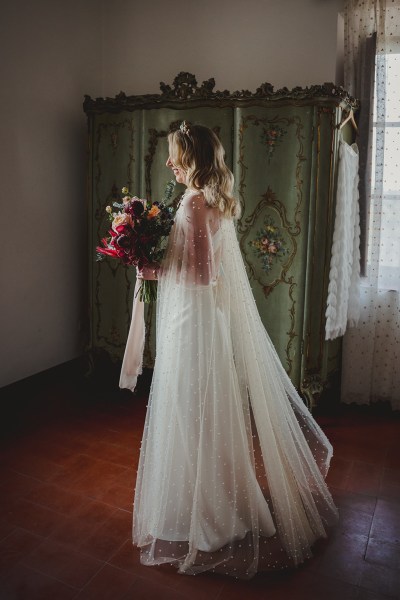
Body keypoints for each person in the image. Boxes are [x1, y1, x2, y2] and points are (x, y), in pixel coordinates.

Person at [126, 121, 339, 580]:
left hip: (195, 323)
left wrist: (152, 267)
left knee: (193, 412)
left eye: (174, 154)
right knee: (195, 412)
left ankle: (213, 514)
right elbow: (203, 267)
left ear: (193, 157)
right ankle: (197, 501)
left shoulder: (197, 202)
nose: (168, 162)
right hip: (199, 321)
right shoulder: (206, 199)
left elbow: (202, 276)